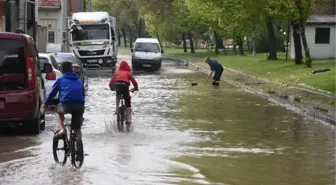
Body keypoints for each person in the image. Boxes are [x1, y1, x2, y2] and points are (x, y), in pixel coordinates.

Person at [44, 61, 85, 138]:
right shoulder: (79, 80)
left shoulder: (60, 80)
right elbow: (83, 94)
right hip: (80, 106)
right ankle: (79, 145)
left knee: (58, 111)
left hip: (66, 104)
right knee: (77, 129)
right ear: (71, 70)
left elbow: (52, 94)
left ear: (62, 70)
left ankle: (62, 129)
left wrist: (46, 104)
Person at [109, 60, 138, 125]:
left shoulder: (117, 73)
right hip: (125, 85)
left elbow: (111, 83)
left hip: (117, 85)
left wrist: (112, 88)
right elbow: (134, 81)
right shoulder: (128, 73)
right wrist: (136, 88)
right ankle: (128, 119)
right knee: (127, 101)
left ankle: (117, 109)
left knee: (118, 96)